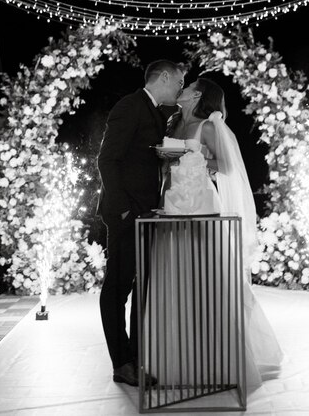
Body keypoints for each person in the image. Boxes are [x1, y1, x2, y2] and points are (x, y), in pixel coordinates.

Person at [154, 77, 283, 390]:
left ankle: (219, 356)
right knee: (176, 276)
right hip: (172, 202)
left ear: (197, 95)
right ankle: (180, 356)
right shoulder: (172, 124)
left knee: (208, 277)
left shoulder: (208, 127)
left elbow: (225, 167)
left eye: (186, 87)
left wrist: (195, 156)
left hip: (201, 204)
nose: (180, 89)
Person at [96, 60, 185, 386]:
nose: (179, 88)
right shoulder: (130, 106)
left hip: (144, 212)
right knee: (117, 289)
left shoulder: (152, 111)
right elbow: (107, 159)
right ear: (163, 77)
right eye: (178, 82)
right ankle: (122, 363)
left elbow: (137, 156)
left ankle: (135, 359)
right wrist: (121, 211)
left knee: (139, 288)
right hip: (127, 214)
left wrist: (160, 155)